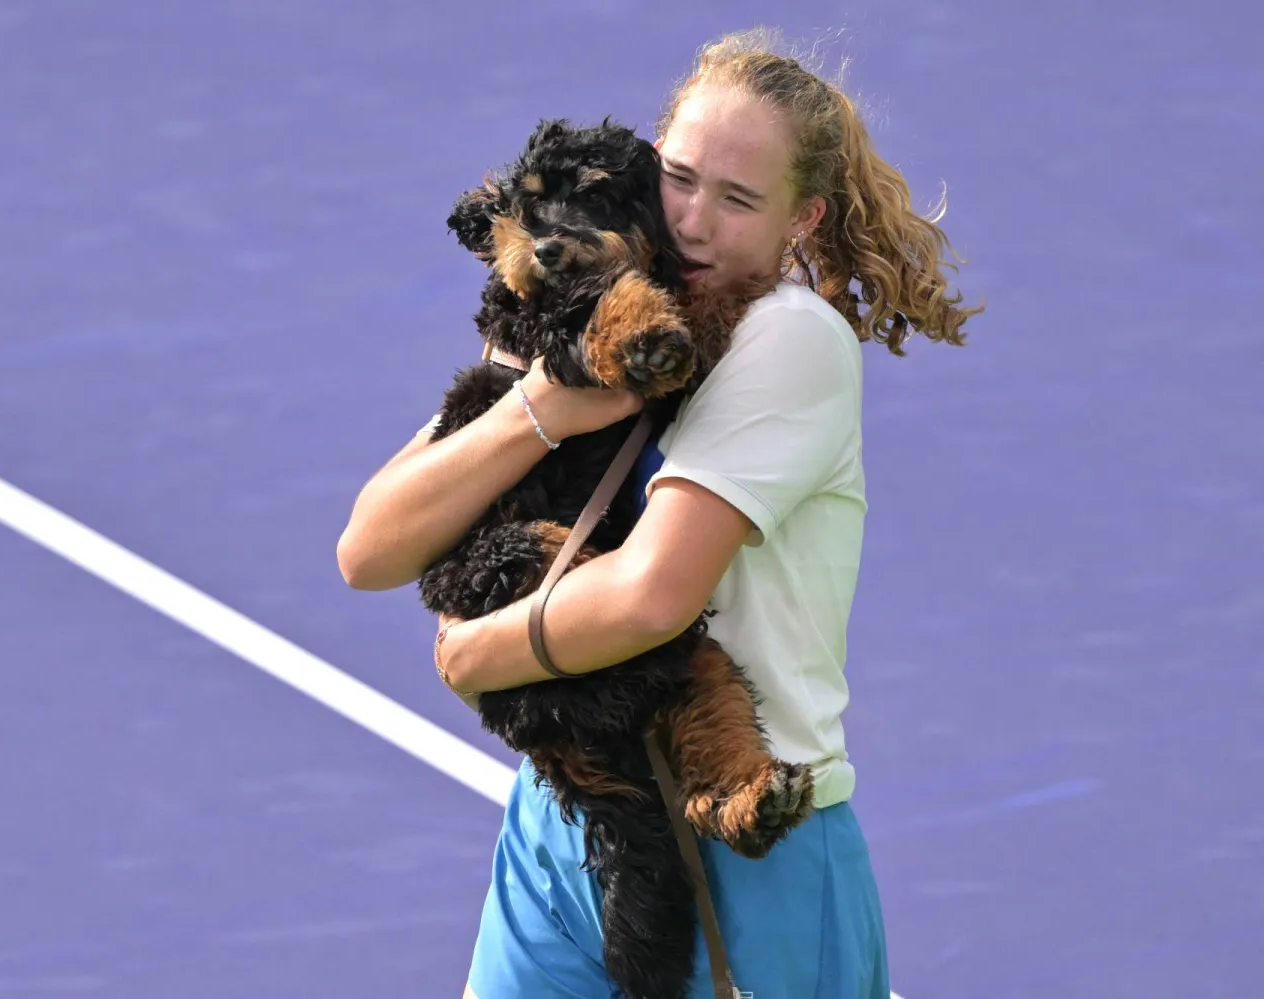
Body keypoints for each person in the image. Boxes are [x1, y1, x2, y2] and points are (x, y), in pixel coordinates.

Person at [337, 26, 978, 999]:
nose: (691, 222)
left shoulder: (789, 340)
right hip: (568, 824)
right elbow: (371, 548)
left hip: (746, 843)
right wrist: (546, 407)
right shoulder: (592, 317)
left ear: (800, 220)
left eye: (737, 200)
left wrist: (471, 654)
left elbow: (652, 598)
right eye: (679, 178)